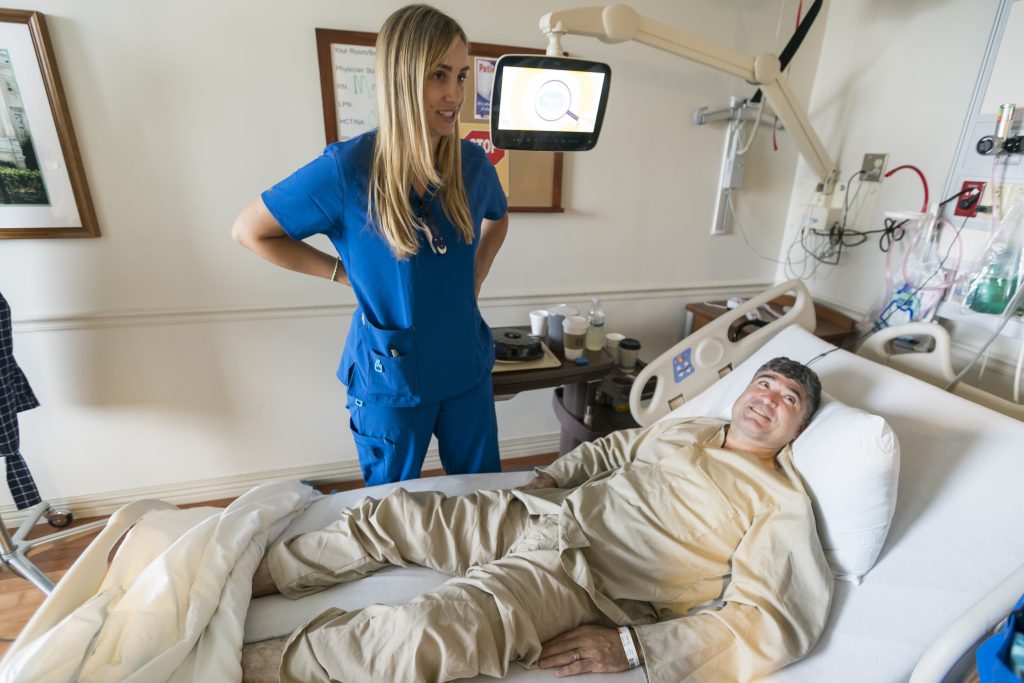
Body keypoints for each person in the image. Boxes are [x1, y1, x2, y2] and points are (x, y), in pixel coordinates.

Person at [242, 357, 834, 683]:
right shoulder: (689, 427)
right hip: (548, 513)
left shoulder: (780, 502)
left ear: (799, 430)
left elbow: (769, 623)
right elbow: (614, 450)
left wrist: (633, 647)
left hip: (585, 578)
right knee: (393, 518)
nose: (768, 398)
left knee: (427, 633)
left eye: (788, 400)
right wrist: (551, 478)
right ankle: (240, 582)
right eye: (764, 383)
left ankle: (235, 668)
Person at [231, 5, 509, 485]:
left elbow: (499, 221)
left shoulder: (473, 166)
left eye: (461, 76)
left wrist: (476, 274)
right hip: (391, 379)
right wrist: (341, 273)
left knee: (486, 496)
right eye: (438, 75)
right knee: (392, 508)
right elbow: (250, 231)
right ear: (401, 79)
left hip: (465, 366)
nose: (454, 95)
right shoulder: (347, 170)